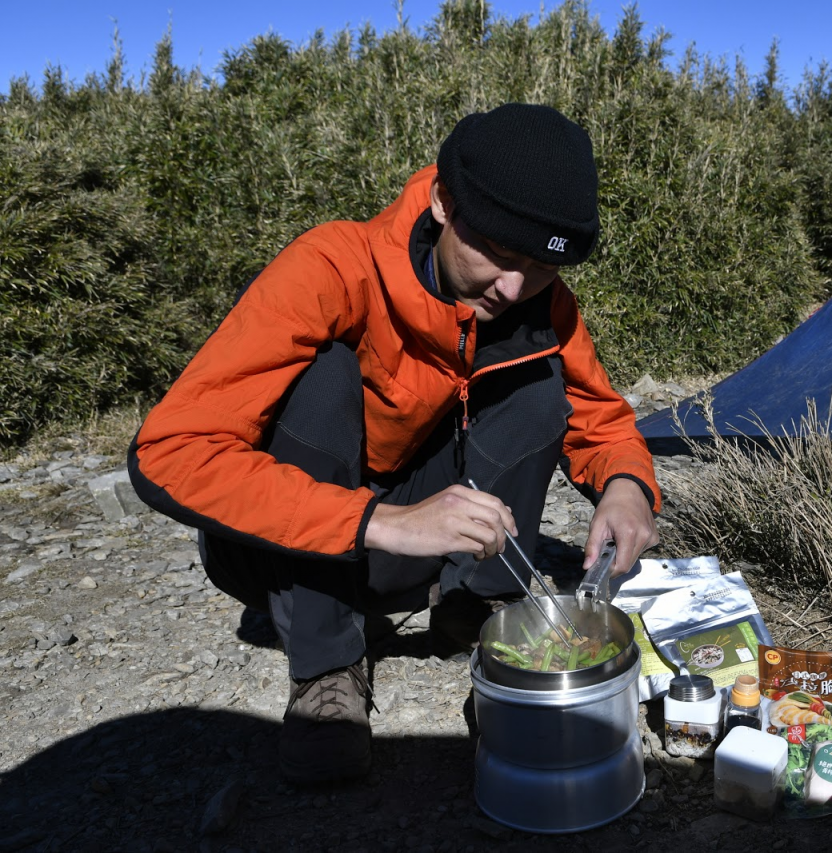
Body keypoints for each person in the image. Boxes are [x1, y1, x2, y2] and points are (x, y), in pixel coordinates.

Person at [127, 103, 661, 784]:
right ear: (443, 202)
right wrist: (383, 521)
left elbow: (602, 419)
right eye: (497, 252)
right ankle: (326, 667)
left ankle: (484, 613)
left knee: (536, 386)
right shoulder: (332, 265)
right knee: (324, 377)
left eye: (540, 267)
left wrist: (626, 485)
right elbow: (167, 452)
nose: (513, 285)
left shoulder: (536, 298)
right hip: (280, 548)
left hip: (418, 542)